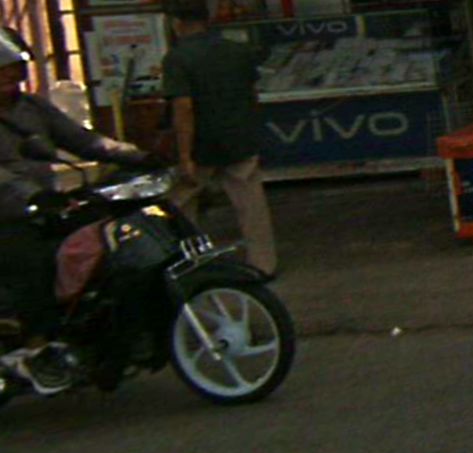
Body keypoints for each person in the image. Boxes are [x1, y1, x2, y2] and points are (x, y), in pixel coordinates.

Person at [0, 26, 161, 394]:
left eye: (14, 72)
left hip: (41, 207)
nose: (9, 80)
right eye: (1, 74)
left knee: (105, 234)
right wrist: (32, 196)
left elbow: (84, 141)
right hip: (9, 216)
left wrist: (137, 155)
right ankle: (38, 348)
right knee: (32, 261)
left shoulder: (33, 107)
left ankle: (105, 329)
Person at [162, 0, 277, 277]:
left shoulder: (177, 58)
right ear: (208, 20)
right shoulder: (236, 51)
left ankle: (189, 261)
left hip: (202, 142)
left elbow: (184, 108)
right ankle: (264, 264)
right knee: (251, 204)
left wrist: (184, 155)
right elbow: (252, 93)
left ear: (176, 23)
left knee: (181, 202)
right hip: (239, 137)